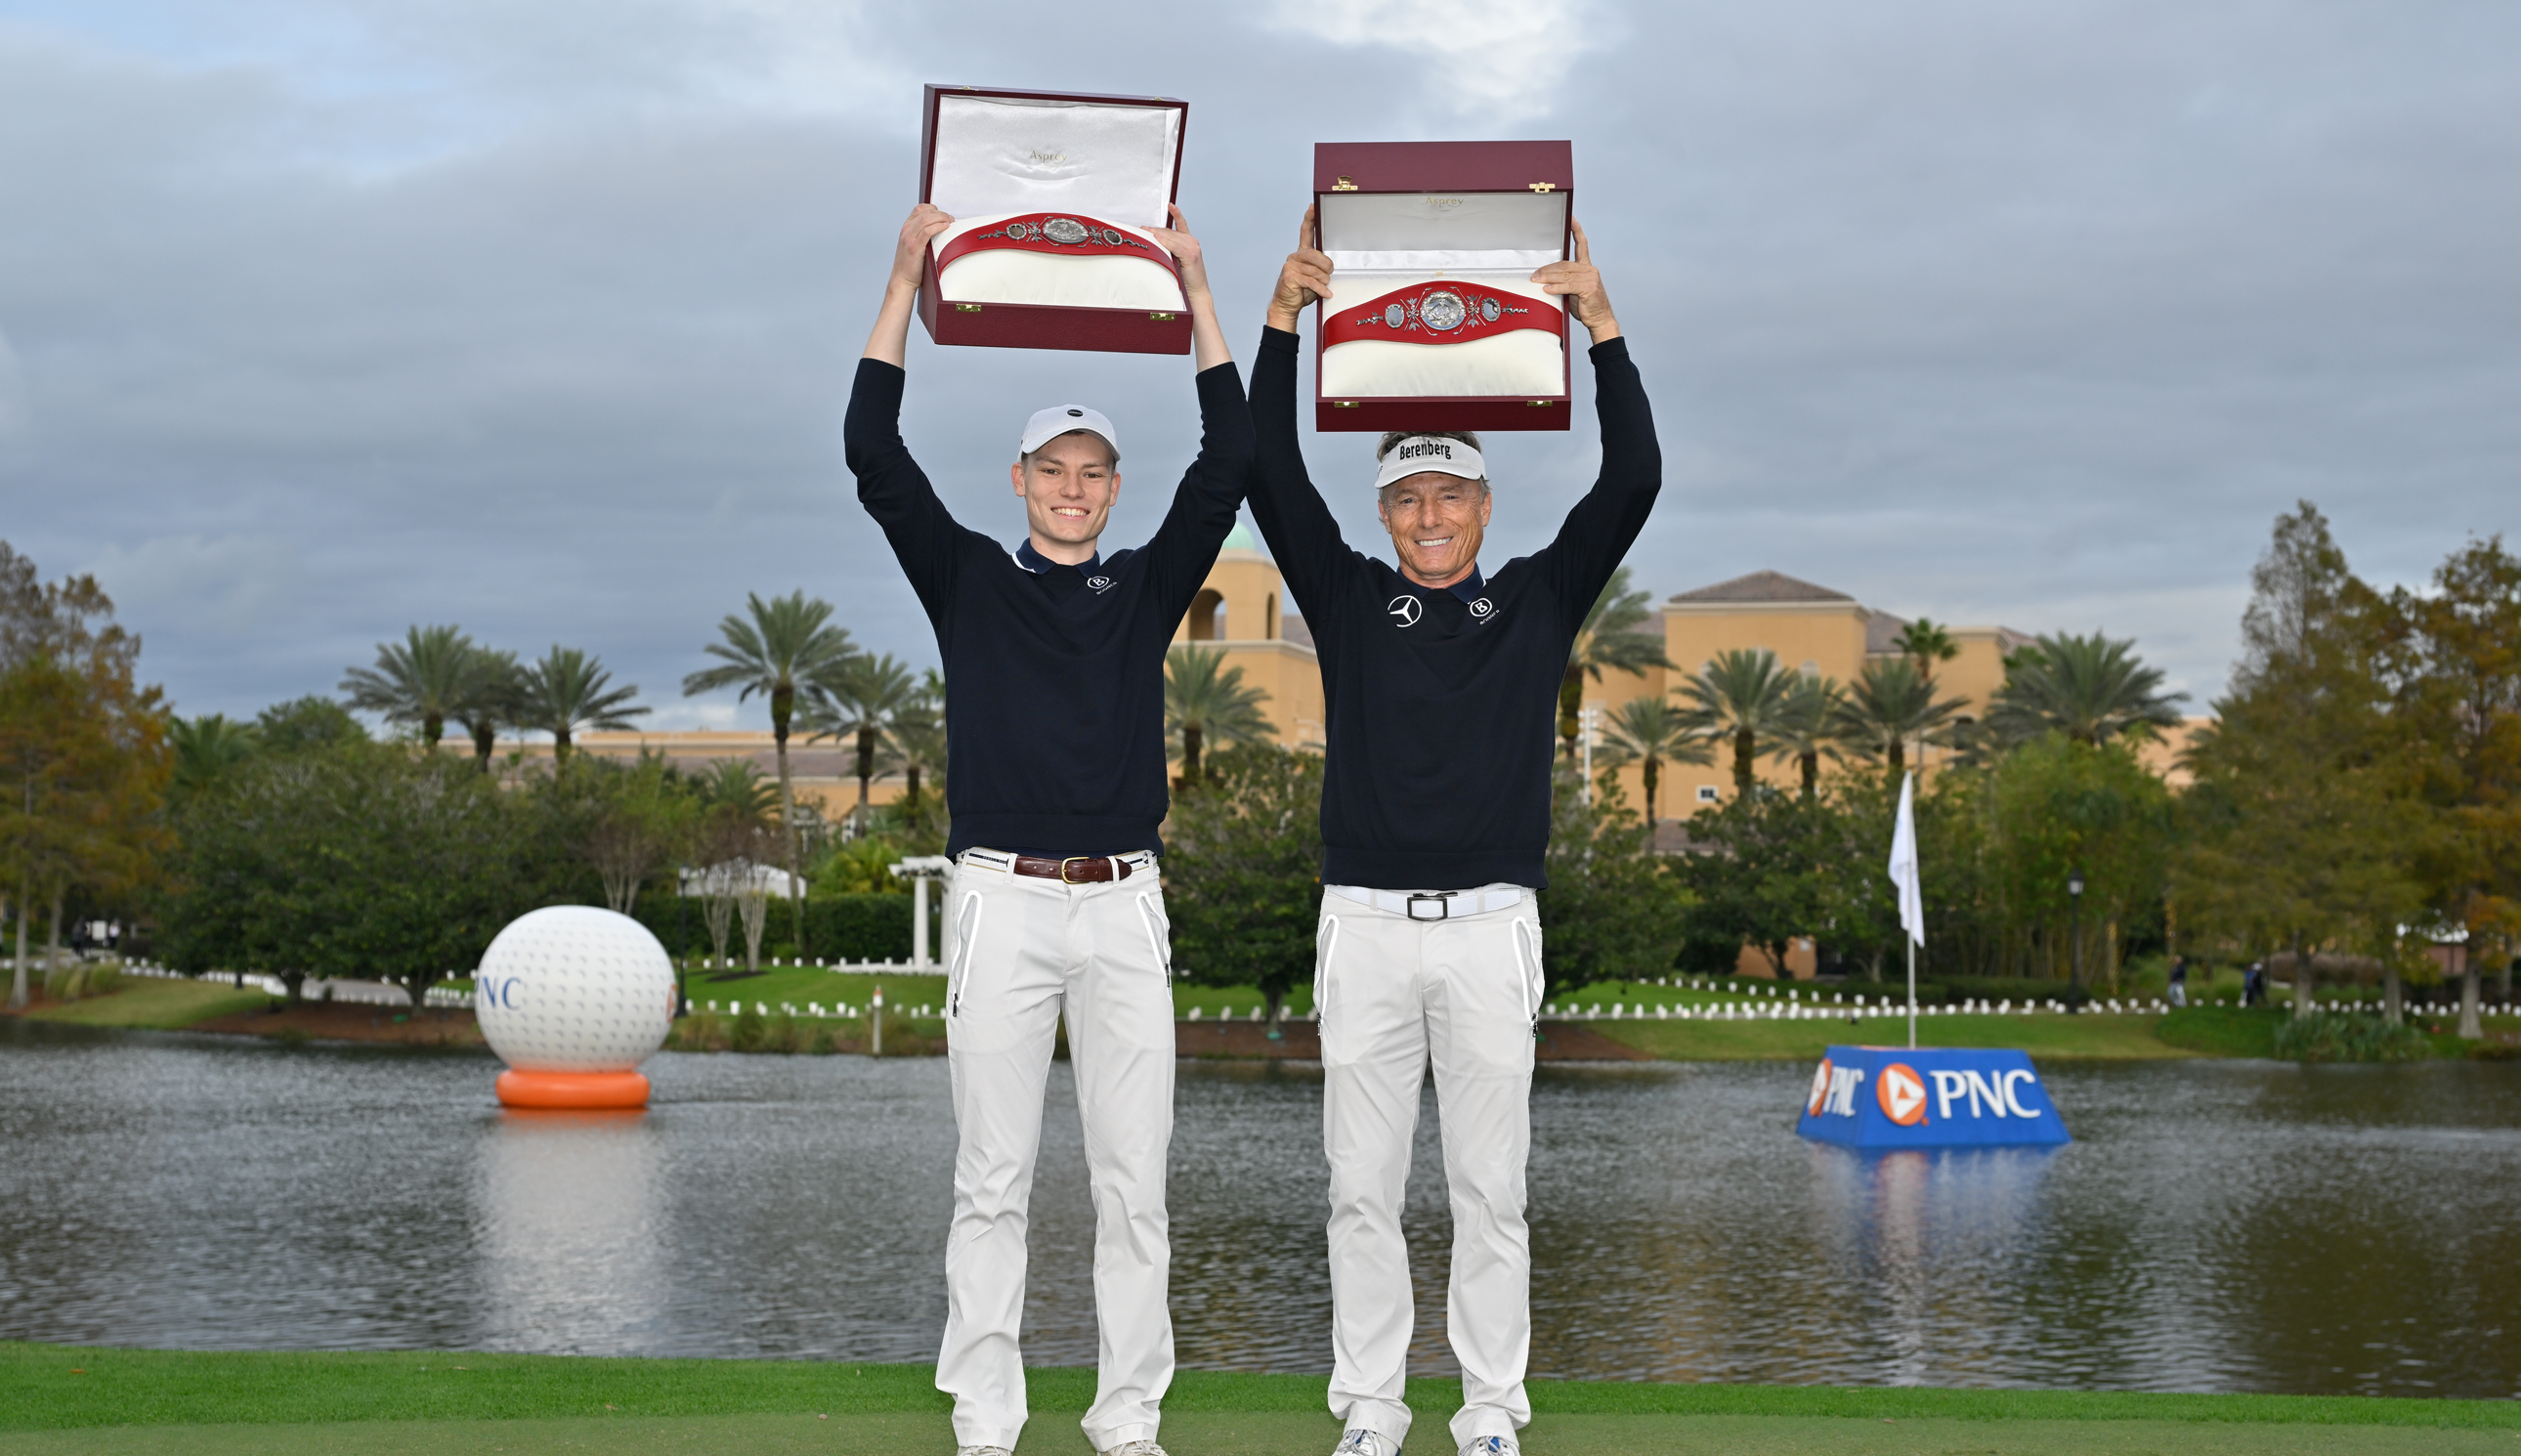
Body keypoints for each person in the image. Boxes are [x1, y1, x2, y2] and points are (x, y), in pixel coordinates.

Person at [1246, 208, 1658, 1456]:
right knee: (1360, 1192)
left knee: (1491, 1193)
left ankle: (1489, 1411)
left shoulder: (1537, 594)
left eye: (1450, 494)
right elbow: (1267, 470)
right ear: (1383, 514)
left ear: (1484, 504)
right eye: (1408, 497)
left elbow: (1631, 479)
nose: (1429, 515)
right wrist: (1281, 321)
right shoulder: (1349, 596)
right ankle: (1372, 1410)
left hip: (1492, 931)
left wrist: (1603, 325)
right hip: (1362, 928)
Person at [846, 201, 1251, 1456]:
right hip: (1002, 901)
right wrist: (909, 271)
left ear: (1111, 488)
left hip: (1126, 902)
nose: (1072, 488)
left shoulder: (1144, 586)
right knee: (993, 1177)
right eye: (1052, 469)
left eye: (1092, 471)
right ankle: (986, 1415)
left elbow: (1229, 460)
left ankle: (1127, 1416)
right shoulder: (966, 573)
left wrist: (1192, 280)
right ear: (1019, 481)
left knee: (1135, 1185)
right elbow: (871, 447)